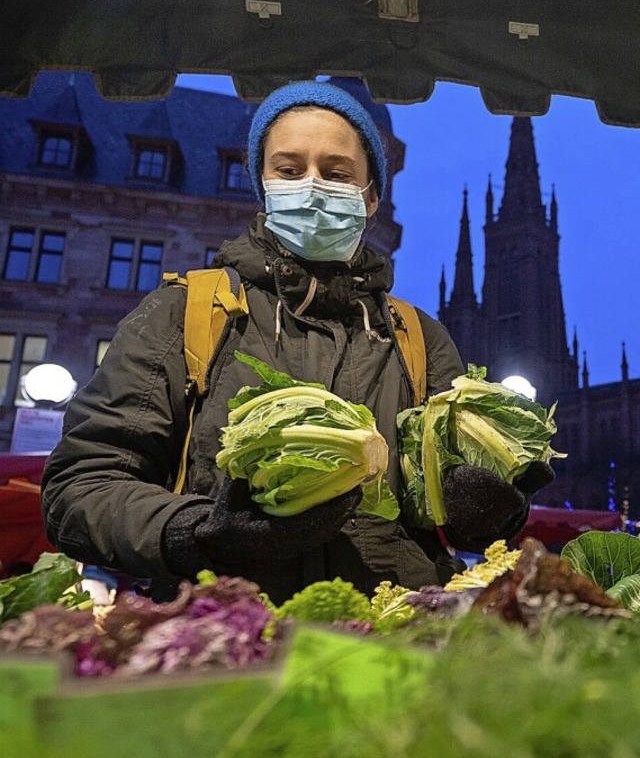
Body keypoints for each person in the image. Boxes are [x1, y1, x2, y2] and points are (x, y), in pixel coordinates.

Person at [41, 80, 553, 604]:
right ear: (264, 186)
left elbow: (465, 520)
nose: (312, 186)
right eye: (289, 171)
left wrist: (494, 506)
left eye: (336, 173)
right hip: (228, 638)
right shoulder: (184, 313)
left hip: (395, 633)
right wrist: (192, 531)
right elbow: (80, 487)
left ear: (371, 196)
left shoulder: (420, 338)